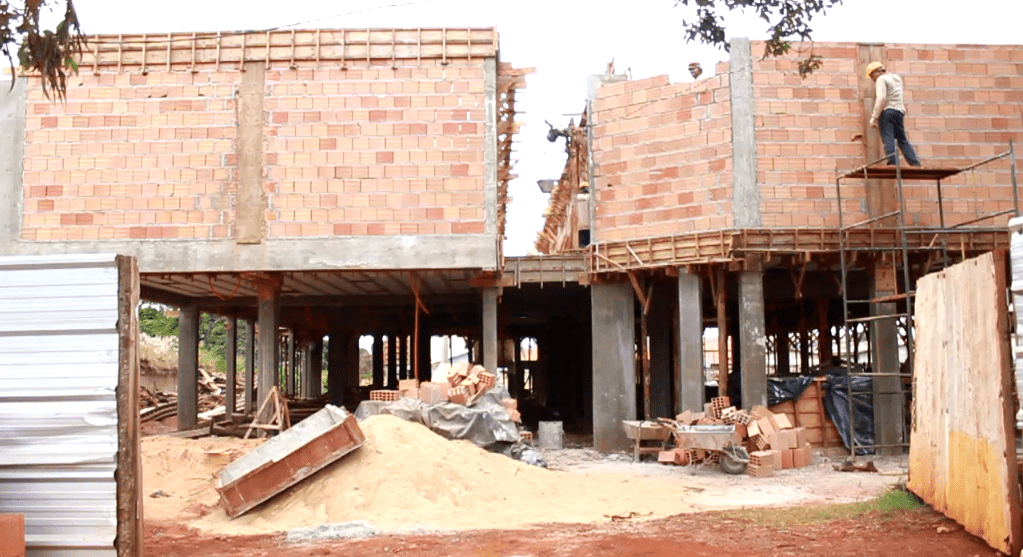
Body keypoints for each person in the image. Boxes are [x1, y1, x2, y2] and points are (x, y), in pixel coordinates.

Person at [866, 62, 921, 167]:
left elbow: (881, 98)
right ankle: (914, 162)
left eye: (872, 76)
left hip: (888, 112)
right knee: (902, 139)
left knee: (888, 137)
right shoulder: (896, 78)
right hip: (899, 111)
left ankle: (892, 162)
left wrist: (874, 117)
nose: (872, 79)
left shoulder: (881, 79)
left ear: (877, 72)